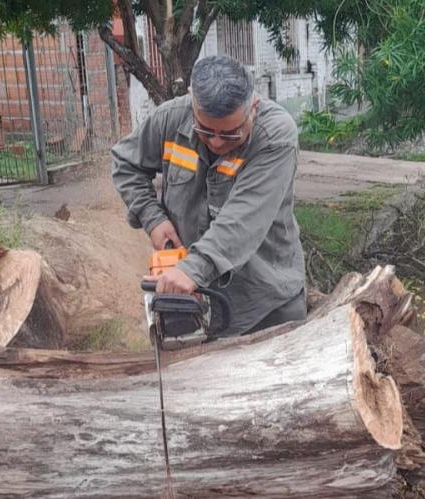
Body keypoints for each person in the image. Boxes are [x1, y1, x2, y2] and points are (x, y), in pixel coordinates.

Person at [112, 55, 306, 335]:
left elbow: (241, 221)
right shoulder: (170, 118)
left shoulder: (275, 136)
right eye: (205, 131)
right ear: (192, 103)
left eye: (230, 134)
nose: (216, 142)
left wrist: (192, 270)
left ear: (253, 107)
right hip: (191, 306)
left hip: (265, 307)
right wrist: (152, 218)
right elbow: (125, 162)